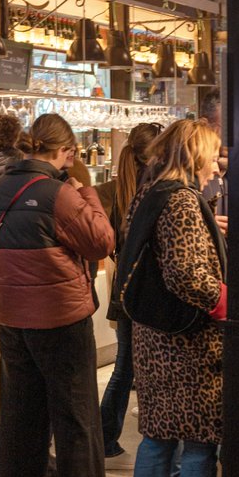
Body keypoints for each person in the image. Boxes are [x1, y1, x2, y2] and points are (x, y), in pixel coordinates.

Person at [0, 112, 115, 477]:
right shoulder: (60, 193)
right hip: (60, 316)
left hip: (11, 314)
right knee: (74, 414)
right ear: (67, 152)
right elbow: (101, 241)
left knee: (19, 411)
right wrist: (86, 192)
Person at [119, 119, 226, 477]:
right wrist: (222, 300)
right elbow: (185, 274)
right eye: (214, 152)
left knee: (157, 442)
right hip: (186, 345)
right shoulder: (182, 200)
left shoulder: (149, 192)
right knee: (200, 446)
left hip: (152, 336)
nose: (218, 161)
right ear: (197, 154)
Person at [94, 122, 160, 457]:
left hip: (123, 286)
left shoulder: (112, 190)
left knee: (125, 366)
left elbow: (107, 243)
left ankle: (104, 437)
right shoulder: (152, 192)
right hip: (143, 289)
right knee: (131, 367)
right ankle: (107, 436)